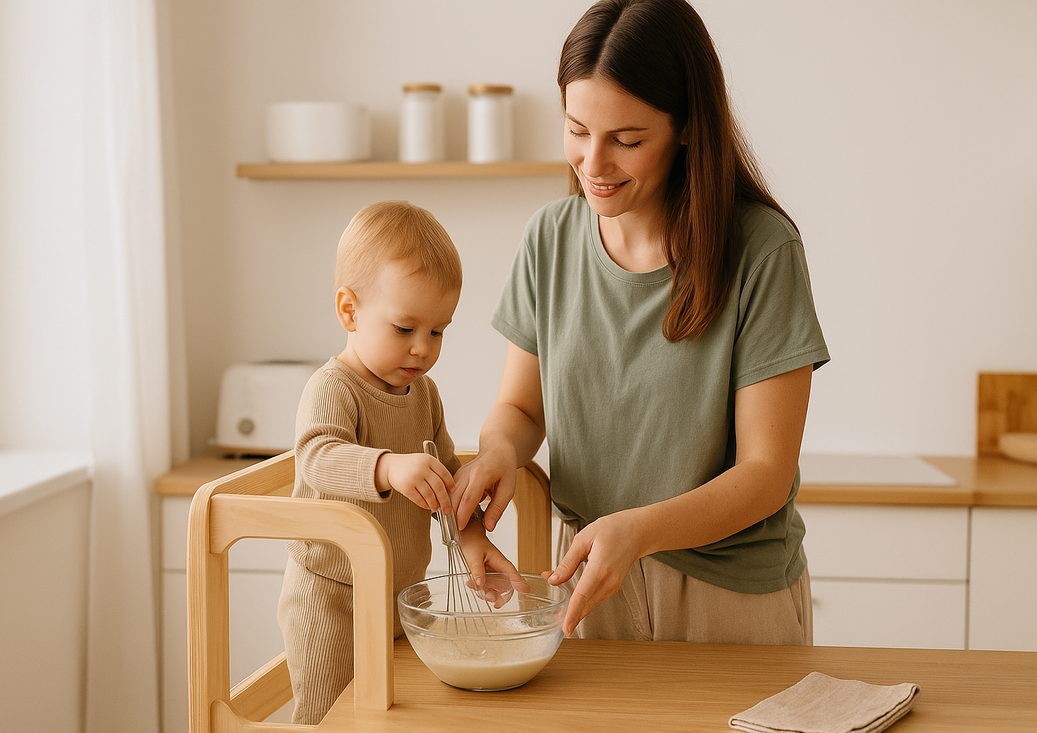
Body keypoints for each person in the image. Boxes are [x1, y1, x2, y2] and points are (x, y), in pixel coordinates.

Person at [453, 0, 830, 646]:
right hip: (590, 581)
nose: (593, 163)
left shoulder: (762, 251)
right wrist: (498, 451)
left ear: (686, 128)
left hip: (730, 595)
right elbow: (520, 407)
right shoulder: (549, 239)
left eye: (626, 141)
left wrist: (639, 530)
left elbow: (766, 472)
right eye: (577, 129)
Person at [277, 200, 522, 723]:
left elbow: (446, 481)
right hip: (332, 599)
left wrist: (473, 536)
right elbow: (317, 458)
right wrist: (388, 467)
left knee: (392, 716)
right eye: (404, 328)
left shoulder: (424, 396)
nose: (422, 349)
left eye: (438, 331)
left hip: (401, 596)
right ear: (350, 311)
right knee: (330, 716)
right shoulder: (333, 388)